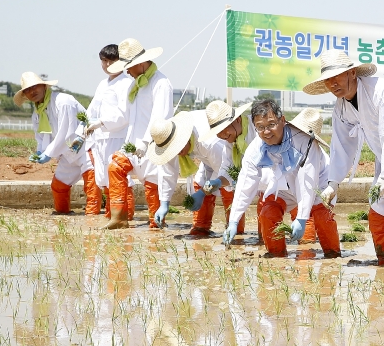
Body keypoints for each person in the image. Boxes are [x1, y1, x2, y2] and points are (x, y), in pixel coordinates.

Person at [303, 50, 384, 268]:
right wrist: (333, 183)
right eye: (328, 80)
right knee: (377, 218)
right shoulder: (342, 107)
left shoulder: (381, 91)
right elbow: (342, 146)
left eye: (337, 76)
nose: (333, 84)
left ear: (352, 73)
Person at [222, 100, 340, 258]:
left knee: (321, 217)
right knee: (267, 212)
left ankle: (333, 256)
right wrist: (234, 221)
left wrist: (302, 217)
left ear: (282, 121)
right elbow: (246, 182)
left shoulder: (304, 140)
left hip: (318, 183)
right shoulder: (256, 148)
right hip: (284, 183)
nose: (266, 132)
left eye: (271, 124)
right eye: (260, 127)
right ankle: (276, 255)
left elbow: (308, 179)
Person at [102, 39, 173, 229]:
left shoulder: (161, 83)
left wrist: (145, 142)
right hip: (132, 145)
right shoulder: (135, 84)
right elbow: (125, 115)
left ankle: (157, 230)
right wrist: (100, 123)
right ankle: (119, 218)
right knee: (115, 166)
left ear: (140, 64)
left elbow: (161, 118)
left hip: (152, 148)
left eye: (128, 67)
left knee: (153, 190)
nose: (126, 71)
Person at [15, 72, 100, 215]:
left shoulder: (63, 101)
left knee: (91, 185)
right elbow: (41, 136)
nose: (32, 91)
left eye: (35, 86)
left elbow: (66, 132)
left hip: (85, 147)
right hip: (67, 153)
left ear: (44, 86)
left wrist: (48, 153)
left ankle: (92, 220)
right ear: (25, 95)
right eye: (27, 90)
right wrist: (40, 151)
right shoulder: (37, 113)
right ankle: (63, 213)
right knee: (58, 185)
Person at [72, 44, 134, 220]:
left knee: (119, 176)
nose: (106, 65)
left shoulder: (126, 83)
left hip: (116, 136)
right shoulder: (102, 84)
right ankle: (111, 215)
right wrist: (80, 134)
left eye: (111, 61)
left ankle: (125, 215)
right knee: (103, 178)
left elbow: (123, 113)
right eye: (104, 61)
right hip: (99, 138)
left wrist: (100, 123)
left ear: (120, 62)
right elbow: (91, 111)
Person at [144, 110, 231, 234]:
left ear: (183, 139)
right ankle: (201, 228)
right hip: (207, 157)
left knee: (229, 189)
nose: (175, 154)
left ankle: (236, 230)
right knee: (201, 182)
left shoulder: (210, 142)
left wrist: (202, 192)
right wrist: (164, 203)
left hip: (228, 157)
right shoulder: (169, 135)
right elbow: (167, 172)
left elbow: (226, 172)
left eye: (175, 149)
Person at [202, 100, 257, 238]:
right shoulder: (231, 141)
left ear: (238, 119)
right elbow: (228, 168)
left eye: (224, 130)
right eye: (218, 133)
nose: (222, 136)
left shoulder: (258, 129)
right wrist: (217, 182)